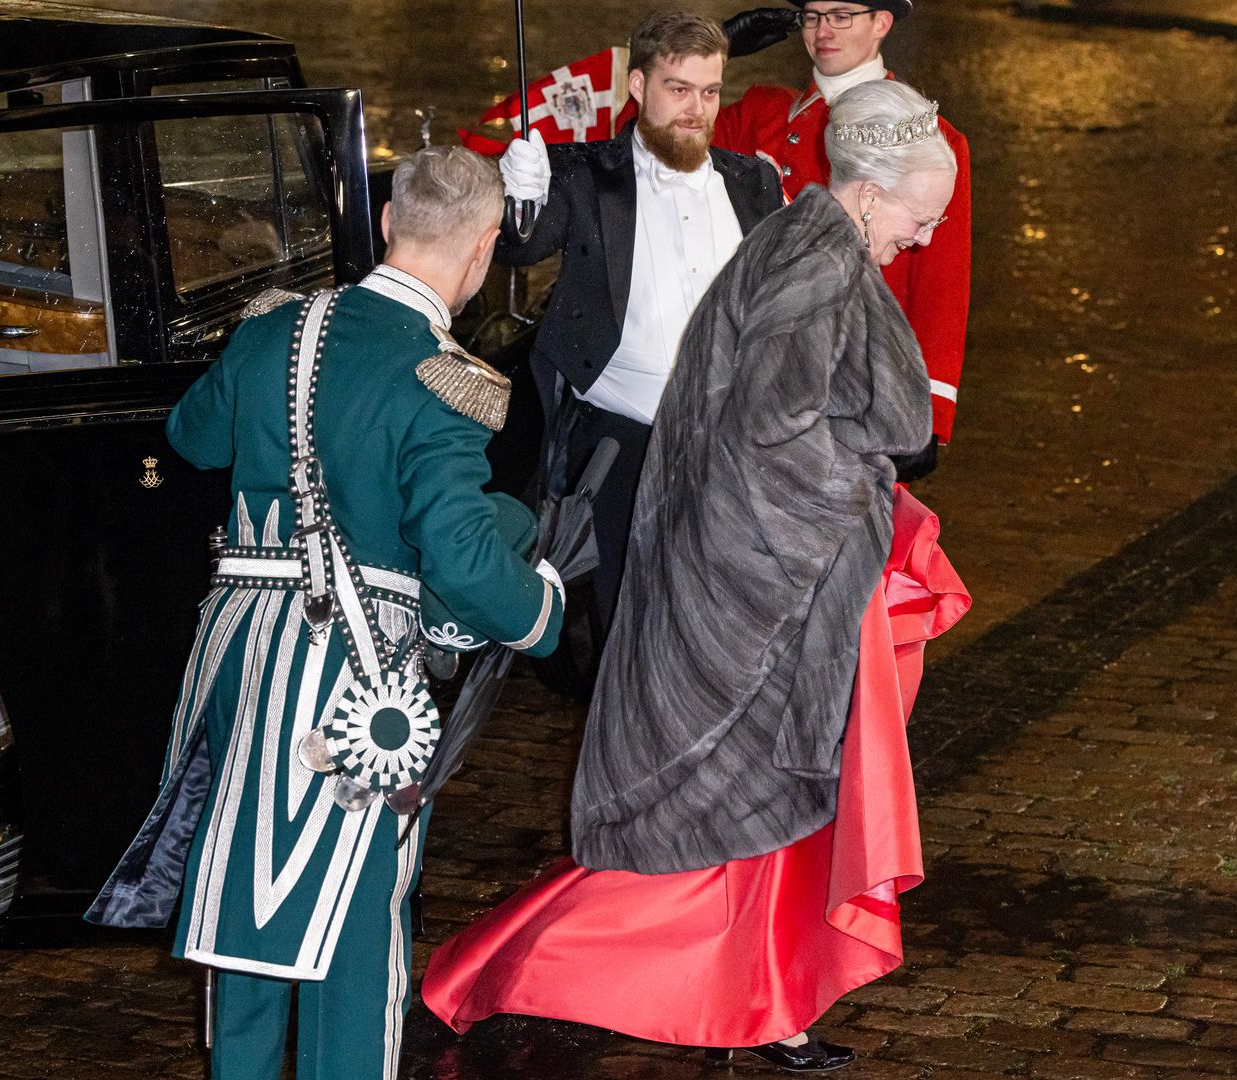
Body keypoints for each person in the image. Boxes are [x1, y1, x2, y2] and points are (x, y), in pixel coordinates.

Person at [423, 80, 971, 1074]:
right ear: (869, 195)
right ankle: (509, 973)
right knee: (708, 826)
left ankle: (766, 1006)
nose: (924, 238)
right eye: (920, 218)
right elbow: (769, 437)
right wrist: (858, 511)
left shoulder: (817, 246)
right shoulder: (816, 266)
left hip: (755, 585)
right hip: (751, 595)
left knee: (751, 821)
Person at [85, 146, 563, 1080]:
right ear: (482, 252)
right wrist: (539, 613)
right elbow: (460, 555)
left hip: (236, 659)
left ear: (387, 222)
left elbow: (188, 437)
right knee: (353, 916)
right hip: (351, 670)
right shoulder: (441, 377)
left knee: (244, 903)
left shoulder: (273, 331)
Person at [496, 9, 785, 627]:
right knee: (621, 624)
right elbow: (518, 249)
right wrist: (519, 198)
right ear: (637, 86)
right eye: (678, 90)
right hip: (617, 444)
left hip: (726, 448)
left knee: (717, 622)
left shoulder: (755, 183)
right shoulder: (584, 175)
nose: (697, 110)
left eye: (709, 92)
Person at [714, 0, 971, 452]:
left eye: (841, 15)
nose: (822, 31)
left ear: (882, 22)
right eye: (812, 16)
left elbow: (941, 285)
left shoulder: (936, 141)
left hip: (856, 390)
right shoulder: (760, 115)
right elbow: (650, 153)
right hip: (744, 372)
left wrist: (928, 408)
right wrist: (710, 50)